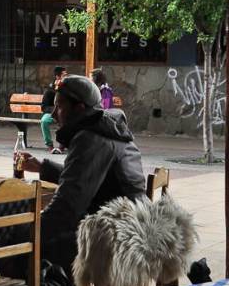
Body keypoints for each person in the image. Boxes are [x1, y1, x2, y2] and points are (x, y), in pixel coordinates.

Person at [19, 74, 145, 274]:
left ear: (79, 109)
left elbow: (68, 206)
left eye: (59, 106)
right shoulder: (107, 128)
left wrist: (27, 235)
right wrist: (44, 168)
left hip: (114, 238)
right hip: (132, 226)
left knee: (27, 252)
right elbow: (89, 178)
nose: (53, 114)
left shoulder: (90, 137)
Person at [40, 65, 66, 153]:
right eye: (64, 75)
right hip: (52, 113)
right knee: (44, 121)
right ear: (57, 77)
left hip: (65, 114)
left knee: (67, 122)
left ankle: (61, 146)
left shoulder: (68, 88)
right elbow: (44, 107)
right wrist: (55, 110)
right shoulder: (50, 89)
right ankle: (49, 145)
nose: (66, 76)